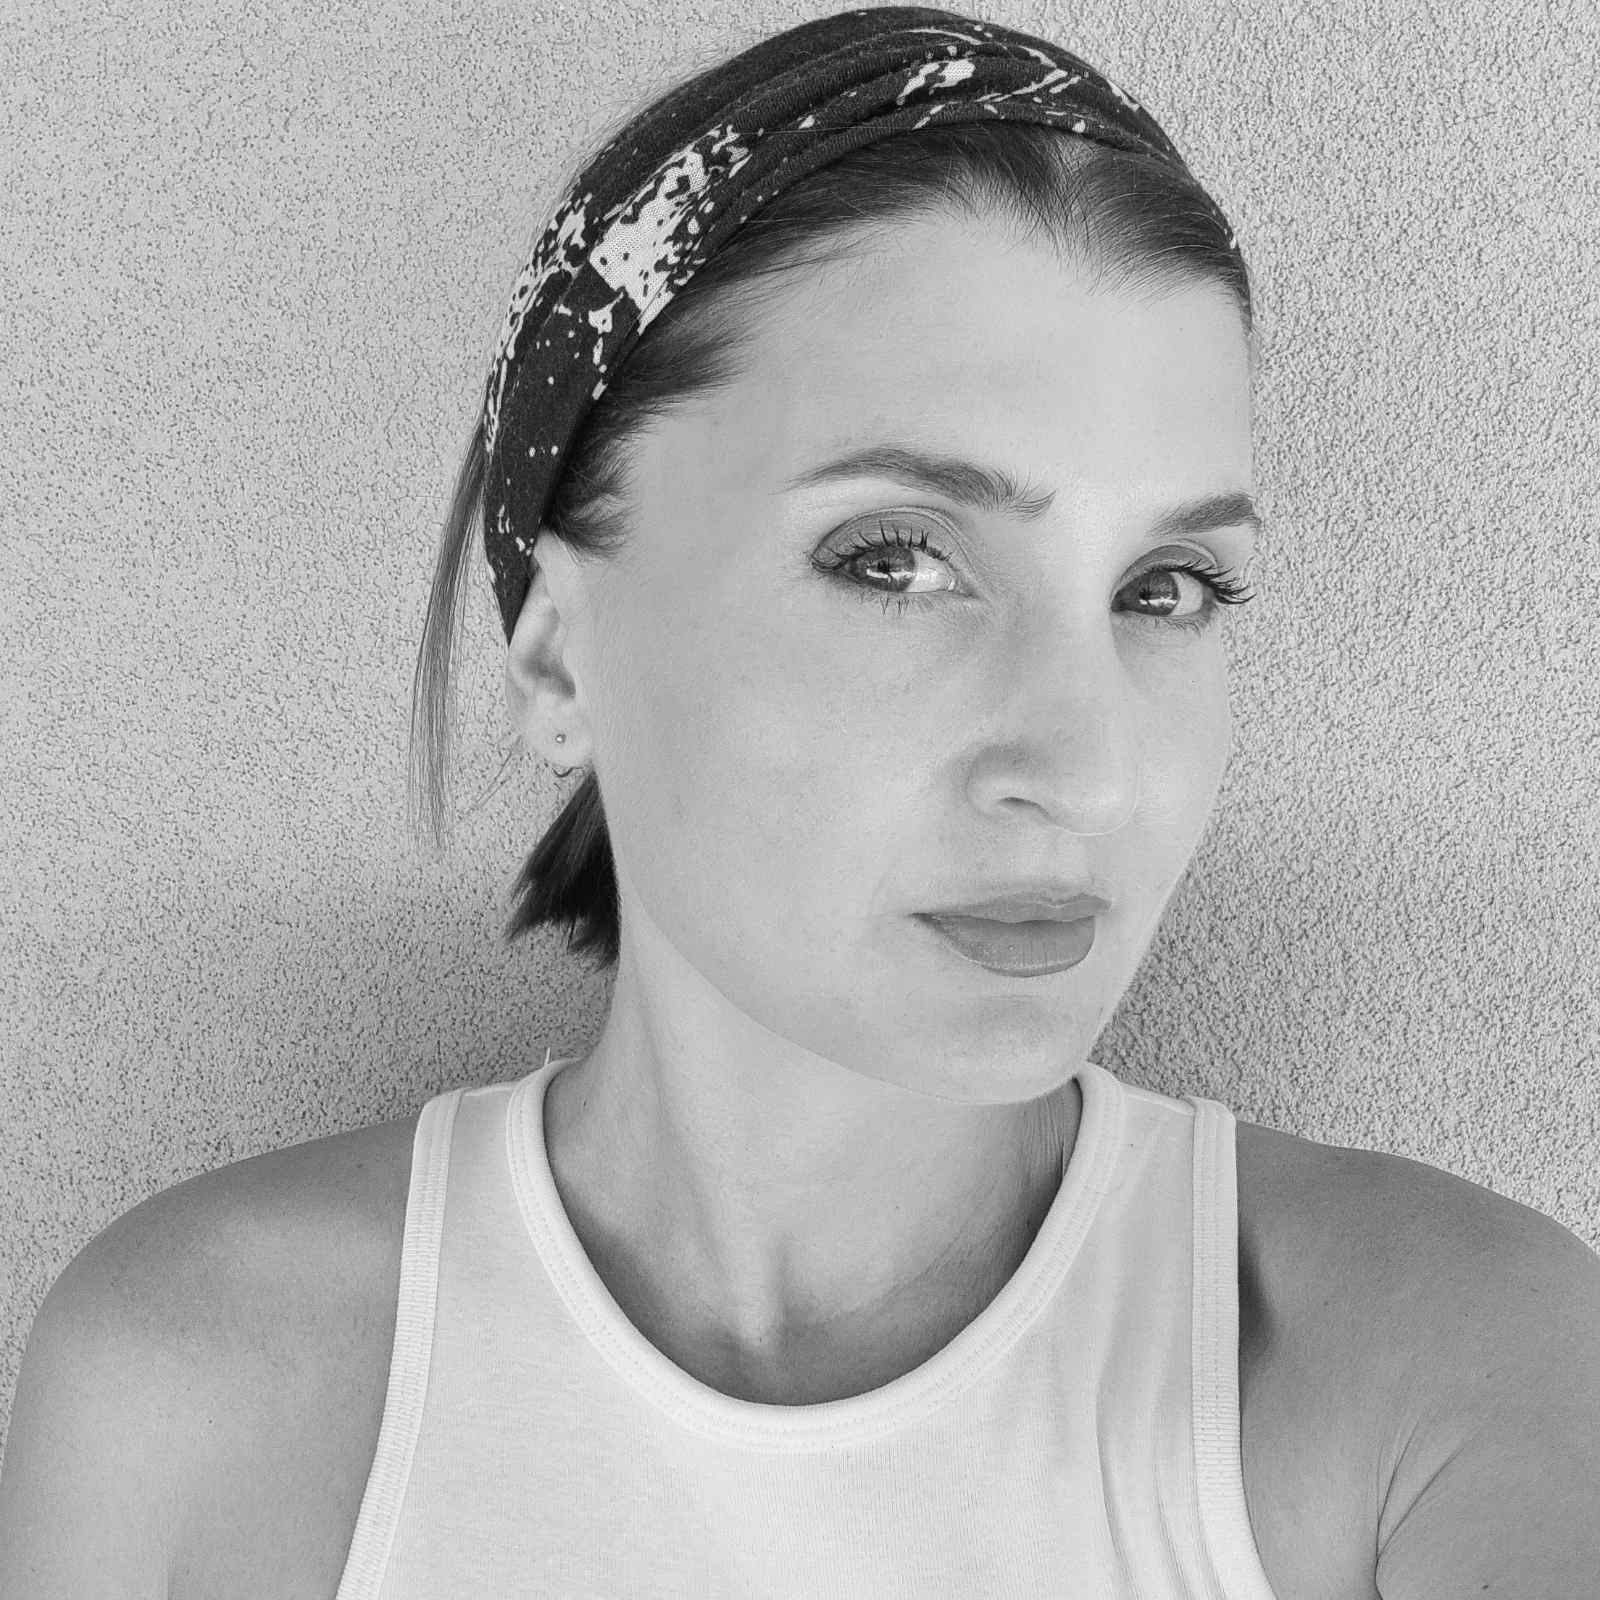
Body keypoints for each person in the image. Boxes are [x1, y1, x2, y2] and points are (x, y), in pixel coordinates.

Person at [2, 8, 1597, 1598]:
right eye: (894, 560)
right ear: (557, 657)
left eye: (1167, 586)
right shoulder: (193, 1397)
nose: (1092, 768)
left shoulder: (1447, 1380)